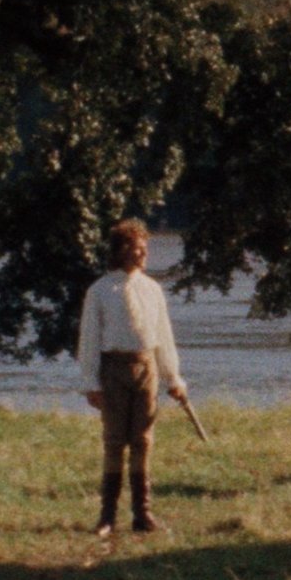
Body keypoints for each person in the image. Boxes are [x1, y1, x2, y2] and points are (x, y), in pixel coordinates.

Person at [75, 219, 187, 536]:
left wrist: (173, 378)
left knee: (143, 440)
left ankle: (143, 514)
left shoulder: (152, 290)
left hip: (146, 368)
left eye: (144, 248)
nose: (142, 253)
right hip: (113, 370)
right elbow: (89, 339)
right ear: (120, 250)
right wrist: (91, 383)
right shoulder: (99, 291)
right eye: (137, 248)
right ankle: (107, 517)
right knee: (114, 442)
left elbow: (163, 337)